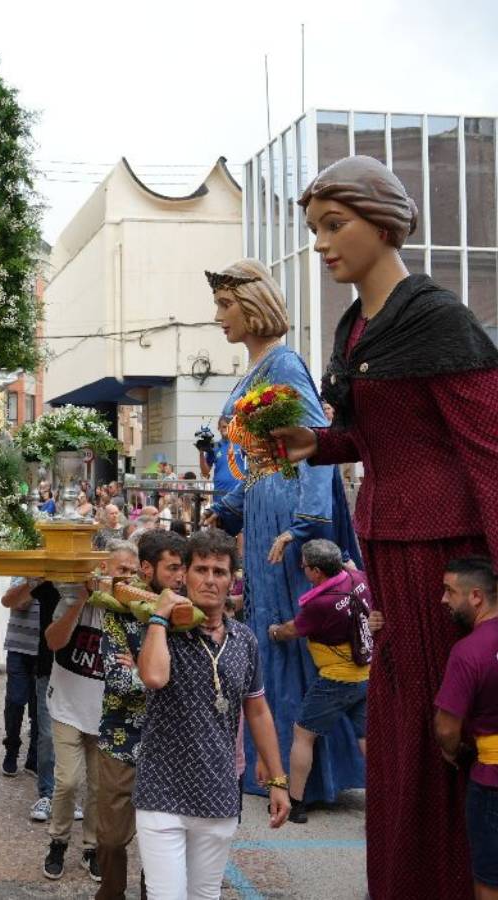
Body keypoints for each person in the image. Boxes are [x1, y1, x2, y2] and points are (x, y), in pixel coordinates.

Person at [268, 155, 498, 900]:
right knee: (400, 735)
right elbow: (376, 437)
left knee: (446, 732)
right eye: (315, 229)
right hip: (389, 551)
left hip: (445, 557)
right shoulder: (357, 326)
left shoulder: (436, 317)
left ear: (384, 220)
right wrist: (316, 443)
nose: (322, 243)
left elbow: (489, 453)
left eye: (335, 225)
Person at [203, 259, 363, 806]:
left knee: (295, 637)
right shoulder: (259, 368)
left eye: (226, 306)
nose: (218, 317)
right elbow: (252, 460)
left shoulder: (285, 365)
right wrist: (227, 508)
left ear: (253, 306)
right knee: (271, 632)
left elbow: (315, 447)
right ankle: (275, 765)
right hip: (263, 506)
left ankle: (307, 776)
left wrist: (305, 526)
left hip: (287, 519)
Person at [134, 529, 291, 899]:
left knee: (205, 896)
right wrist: (159, 618)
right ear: (184, 575)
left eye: (219, 572)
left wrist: (278, 781)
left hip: (217, 793)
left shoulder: (244, 639)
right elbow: (154, 676)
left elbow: (257, 710)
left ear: (232, 579)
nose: (209, 580)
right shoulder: (163, 631)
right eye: (201, 569)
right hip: (162, 792)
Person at [91, 533, 185, 900]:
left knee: (160, 844)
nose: (180, 576)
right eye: (172, 568)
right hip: (121, 741)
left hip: (168, 745)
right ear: (148, 569)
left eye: (182, 568)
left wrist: (144, 669)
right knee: (112, 839)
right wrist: (156, 674)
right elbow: (118, 681)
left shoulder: (185, 614)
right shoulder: (117, 608)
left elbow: (186, 681)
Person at [267, 539, 374, 823]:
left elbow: (293, 630)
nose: (301, 569)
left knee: (303, 734)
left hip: (336, 679)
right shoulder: (358, 577)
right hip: (366, 674)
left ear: (316, 572)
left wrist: (274, 631)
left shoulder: (320, 604)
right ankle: (382, 797)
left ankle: (296, 803)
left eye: (304, 566)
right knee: (365, 738)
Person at [40, 560, 113, 882]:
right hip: (67, 706)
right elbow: (53, 641)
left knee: (99, 787)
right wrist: (80, 600)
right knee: (68, 781)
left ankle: (91, 848)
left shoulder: (127, 611)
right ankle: (58, 841)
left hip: (105, 711)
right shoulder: (73, 598)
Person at [434, 557, 498, 900]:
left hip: (492, 780)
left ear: (476, 596)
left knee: (490, 879)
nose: (444, 600)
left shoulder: (469, 651)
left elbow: (446, 727)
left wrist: (453, 749)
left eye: (449, 591)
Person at [0, 571, 42, 777]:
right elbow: (14, 602)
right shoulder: (23, 569)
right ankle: (12, 748)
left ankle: (33, 758)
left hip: (45, 650)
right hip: (19, 646)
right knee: (15, 702)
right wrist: (34, 581)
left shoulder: (60, 572)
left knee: (39, 709)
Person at [198, 417, 247, 500]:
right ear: (219, 428)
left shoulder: (242, 443)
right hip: (219, 492)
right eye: (224, 427)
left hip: (238, 492)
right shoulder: (214, 446)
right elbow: (205, 472)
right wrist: (201, 453)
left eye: (229, 426)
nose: (226, 429)